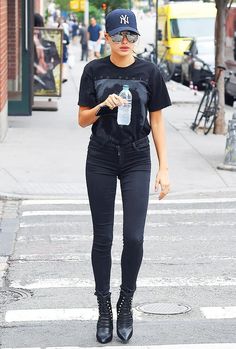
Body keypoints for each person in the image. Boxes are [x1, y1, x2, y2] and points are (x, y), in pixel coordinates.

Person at [78, 9, 171, 344]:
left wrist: (164, 168)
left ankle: (125, 302)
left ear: (136, 38)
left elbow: (157, 121)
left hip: (137, 157)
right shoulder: (94, 70)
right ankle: (104, 308)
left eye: (130, 35)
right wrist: (103, 105)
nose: (124, 41)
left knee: (133, 237)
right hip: (100, 157)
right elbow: (82, 120)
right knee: (102, 238)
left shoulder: (149, 71)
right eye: (117, 36)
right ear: (106, 37)